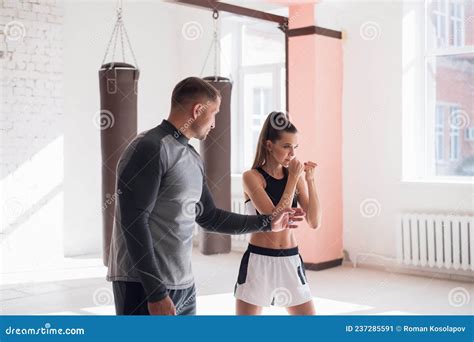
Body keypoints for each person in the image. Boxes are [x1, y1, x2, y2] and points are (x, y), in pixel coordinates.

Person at [106, 77, 306, 315]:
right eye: (213, 113)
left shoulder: (190, 156)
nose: (214, 123)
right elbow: (133, 223)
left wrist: (267, 223)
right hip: (142, 286)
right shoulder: (150, 147)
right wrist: (156, 292)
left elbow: (209, 217)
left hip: (182, 284)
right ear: (197, 110)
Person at [234, 111, 322, 315]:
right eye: (286, 146)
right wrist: (292, 179)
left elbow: (314, 221)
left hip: (290, 259)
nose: (292, 154)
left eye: (295, 147)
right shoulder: (252, 177)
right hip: (259, 260)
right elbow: (273, 219)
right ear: (268, 145)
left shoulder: (296, 177)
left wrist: (309, 180)